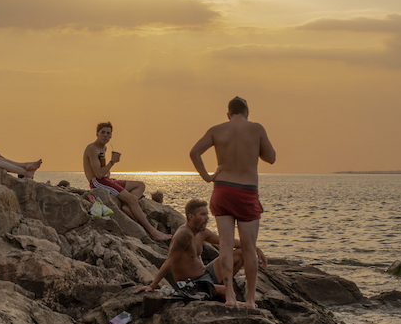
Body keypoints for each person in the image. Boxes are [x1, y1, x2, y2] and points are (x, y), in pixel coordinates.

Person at [189, 96, 276, 307]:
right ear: (247, 112)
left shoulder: (217, 130)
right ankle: (250, 300)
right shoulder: (256, 129)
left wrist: (207, 177)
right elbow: (271, 157)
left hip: (223, 189)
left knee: (226, 246)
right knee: (249, 248)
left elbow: (194, 153)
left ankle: (229, 297)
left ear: (228, 114)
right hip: (247, 192)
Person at [136, 198, 267, 300]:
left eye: (207, 214)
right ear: (191, 216)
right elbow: (169, 261)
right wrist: (153, 286)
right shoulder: (183, 235)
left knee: (241, 253)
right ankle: (223, 291)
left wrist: (254, 248)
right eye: (203, 214)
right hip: (194, 283)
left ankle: (222, 286)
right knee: (229, 293)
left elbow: (226, 242)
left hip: (207, 273)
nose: (207, 218)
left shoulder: (201, 232)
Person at [82, 121, 172, 241]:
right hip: (97, 182)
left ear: (111, 136)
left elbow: (103, 171)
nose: (105, 135)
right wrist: (112, 162)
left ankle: (127, 206)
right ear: (97, 133)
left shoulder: (104, 147)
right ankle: (153, 232)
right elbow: (98, 174)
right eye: (102, 132)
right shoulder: (92, 149)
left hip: (106, 179)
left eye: (108, 133)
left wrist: (110, 174)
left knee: (140, 185)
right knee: (133, 199)